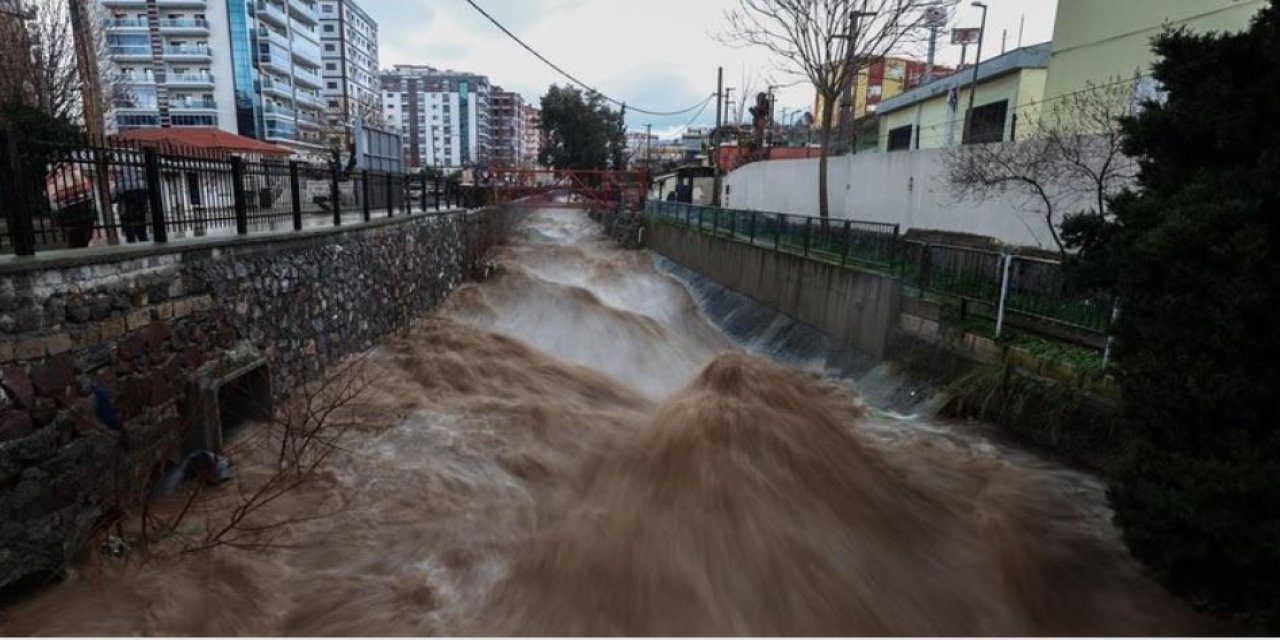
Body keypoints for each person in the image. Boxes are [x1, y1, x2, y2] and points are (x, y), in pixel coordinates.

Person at [45, 153, 98, 249]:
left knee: (82, 234)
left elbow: (85, 183)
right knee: (76, 234)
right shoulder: (54, 173)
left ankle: (80, 247)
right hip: (71, 206)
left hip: (79, 204)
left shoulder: (72, 169)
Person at [110, 153, 149, 243]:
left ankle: (134, 253)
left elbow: (113, 197)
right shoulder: (143, 183)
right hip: (141, 212)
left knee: (130, 235)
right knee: (142, 233)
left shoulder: (121, 184)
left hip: (127, 213)